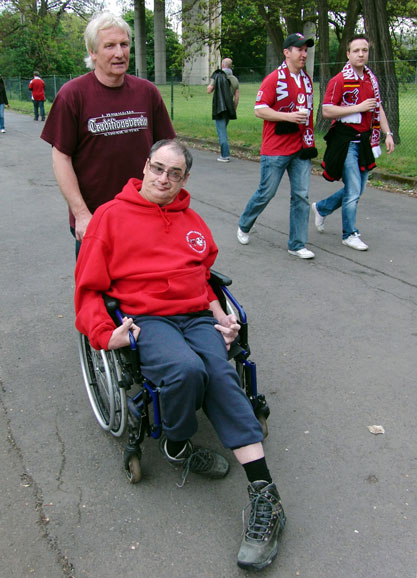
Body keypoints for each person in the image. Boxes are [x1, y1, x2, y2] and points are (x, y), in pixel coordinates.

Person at [75, 139, 287, 571]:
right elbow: (88, 288)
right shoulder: (110, 218)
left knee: (222, 376)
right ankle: (176, 444)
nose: (164, 180)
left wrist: (221, 313)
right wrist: (104, 334)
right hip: (147, 318)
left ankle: (266, 496)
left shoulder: (192, 220)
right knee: (187, 370)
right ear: (145, 167)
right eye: (158, 169)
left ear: (185, 179)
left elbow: (204, 277)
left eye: (175, 174)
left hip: (196, 316)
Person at [41, 11, 175, 254]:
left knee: (145, 286)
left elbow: (168, 151)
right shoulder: (73, 95)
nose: (119, 53)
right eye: (109, 46)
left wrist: (171, 198)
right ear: (93, 52)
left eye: (124, 44)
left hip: (145, 215)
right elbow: (61, 157)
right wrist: (81, 214)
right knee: (96, 289)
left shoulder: (147, 92)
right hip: (95, 219)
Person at [311, 35, 395, 251]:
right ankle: (349, 233)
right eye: (356, 50)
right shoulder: (339, 80)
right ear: (348, 54)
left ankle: (322, 208)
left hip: (366, 141)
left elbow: (378, 108)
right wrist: (357, 108)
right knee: (354, 189)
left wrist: (388, 133)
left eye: (364, 50)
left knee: (356, 189)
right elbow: (327, 110)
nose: (361, 54)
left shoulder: (371, 79)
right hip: (346, 141)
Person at [237, 33, 316, 259]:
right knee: (266, 192)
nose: (303, 54)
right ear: (286, 52)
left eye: (305, 50)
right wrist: (289, 117)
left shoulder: (306, 80)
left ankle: (297, 244)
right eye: (299, 49)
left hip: (301, 147)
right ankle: (244, 224)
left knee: (301, 195)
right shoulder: (274, 78)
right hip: (275, 148)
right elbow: (259, 109)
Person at [207, 57, 239, 162]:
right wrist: (234, 109)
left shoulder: (217, 75)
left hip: (220, 107)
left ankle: (225, 155)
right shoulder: (234, 79)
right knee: (223, 130)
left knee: (221, 132)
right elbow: (237, 97)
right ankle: (224, 153)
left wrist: (211, 85)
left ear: (222, 65)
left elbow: (209, 90)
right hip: (230, 108)